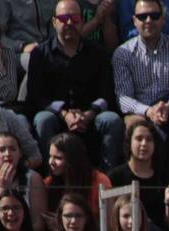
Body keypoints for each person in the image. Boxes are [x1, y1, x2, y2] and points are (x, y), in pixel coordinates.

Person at [26, 0, 124, 169]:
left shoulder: (98, 54)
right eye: (64, 18)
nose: (70, 23)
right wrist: (64, 114)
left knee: (111, 120)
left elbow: (107, 94)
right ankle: (50, 175)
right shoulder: (40, 54)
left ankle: (107, 177)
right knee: (43, 120)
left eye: (75, 18)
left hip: (90, 116)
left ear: (82, 21)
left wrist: (89, 114)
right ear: (54, 22)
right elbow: (37, 95)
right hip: (56, 116)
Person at [112, 0, 169, 147]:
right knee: (135, 123)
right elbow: (123, 98)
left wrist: (168, 106)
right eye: (142, 17)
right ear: (134, 21)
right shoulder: (122, 54)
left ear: (163, 19)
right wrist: (148, 111)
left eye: (154, 16)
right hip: (140, 111)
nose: (148, 20)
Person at [108, 118, 169, 231]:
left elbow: (168, 222)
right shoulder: (115, 177)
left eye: (149, 139)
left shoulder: (163, 176)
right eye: (139, 139)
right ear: (129, 143)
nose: (144, 144)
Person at [44, 131, 111, 221]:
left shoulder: (99, 181)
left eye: (58, 158)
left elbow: (108, 222)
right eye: (50, 156)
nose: (51, 162)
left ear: (73, 159)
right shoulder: (48, 183)